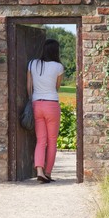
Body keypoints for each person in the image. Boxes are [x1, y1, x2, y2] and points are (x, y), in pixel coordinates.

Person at [27, 39, 64, 183]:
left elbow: (28, 87)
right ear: (56, 51)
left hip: (37, 104)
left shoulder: (32, 64)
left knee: (40, 140)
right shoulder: (58, 67)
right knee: (52, 141)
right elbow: (57, 87)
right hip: (52, 104)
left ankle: (39, 171)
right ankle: (48, 172)